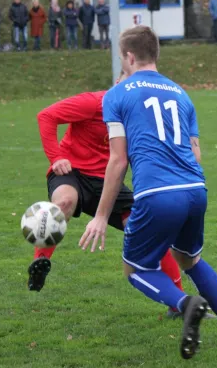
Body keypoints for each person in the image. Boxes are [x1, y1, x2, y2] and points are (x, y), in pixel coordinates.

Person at [79, 26, 217, 359]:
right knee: (190, 259)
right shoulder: (181, 93)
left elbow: (117, 161)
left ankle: (185, 304)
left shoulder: (117, 94)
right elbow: (196, 153)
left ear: (128, 56)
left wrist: (100, 216)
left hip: (157, 194)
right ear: (155, 54)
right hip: (195, 189)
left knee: (136, 269)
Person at [33, 73, 195, 321]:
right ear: (117, 85)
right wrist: (56, 157)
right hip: (72, 171)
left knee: (149, 230)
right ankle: (40, 264)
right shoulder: (93, 102)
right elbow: (46, 116)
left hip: (109, 182)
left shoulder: (138, 115)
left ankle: (179, 304)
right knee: (63, 202)